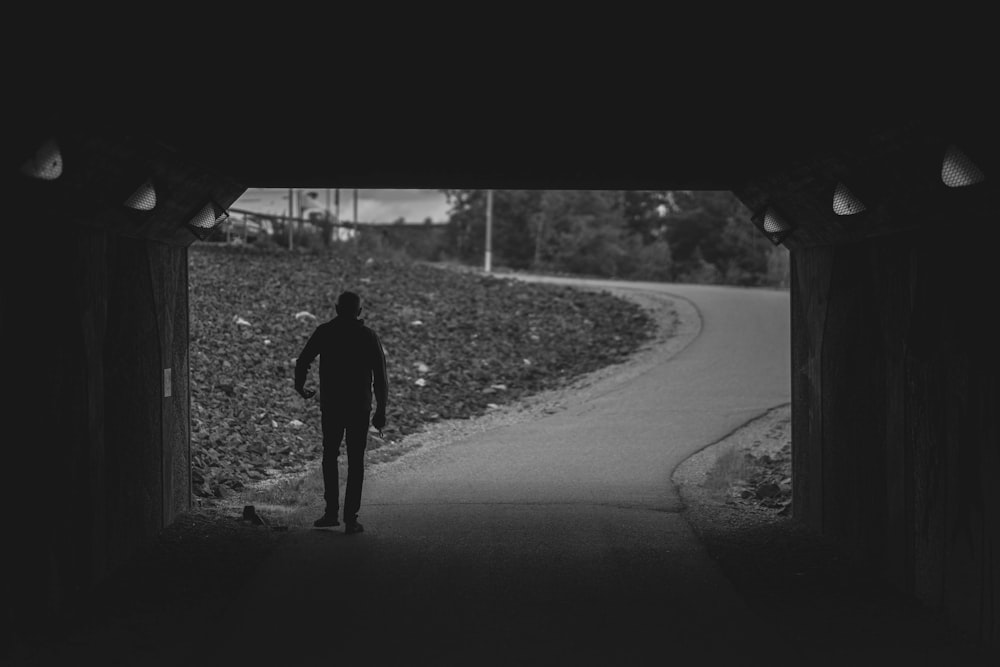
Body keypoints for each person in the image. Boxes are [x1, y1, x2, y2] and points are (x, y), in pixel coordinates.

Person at [295, 291, 388, 534]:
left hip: (333, 405)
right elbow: (380, 377)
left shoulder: (325, 332)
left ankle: (330, 513)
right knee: (356, 460)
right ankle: (351, 518)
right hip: (359, 406)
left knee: (330, 455)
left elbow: (303, 359)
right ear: (359, 312)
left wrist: (300, 385)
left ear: (337, 308)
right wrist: (381, 410)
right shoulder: (368, 336)